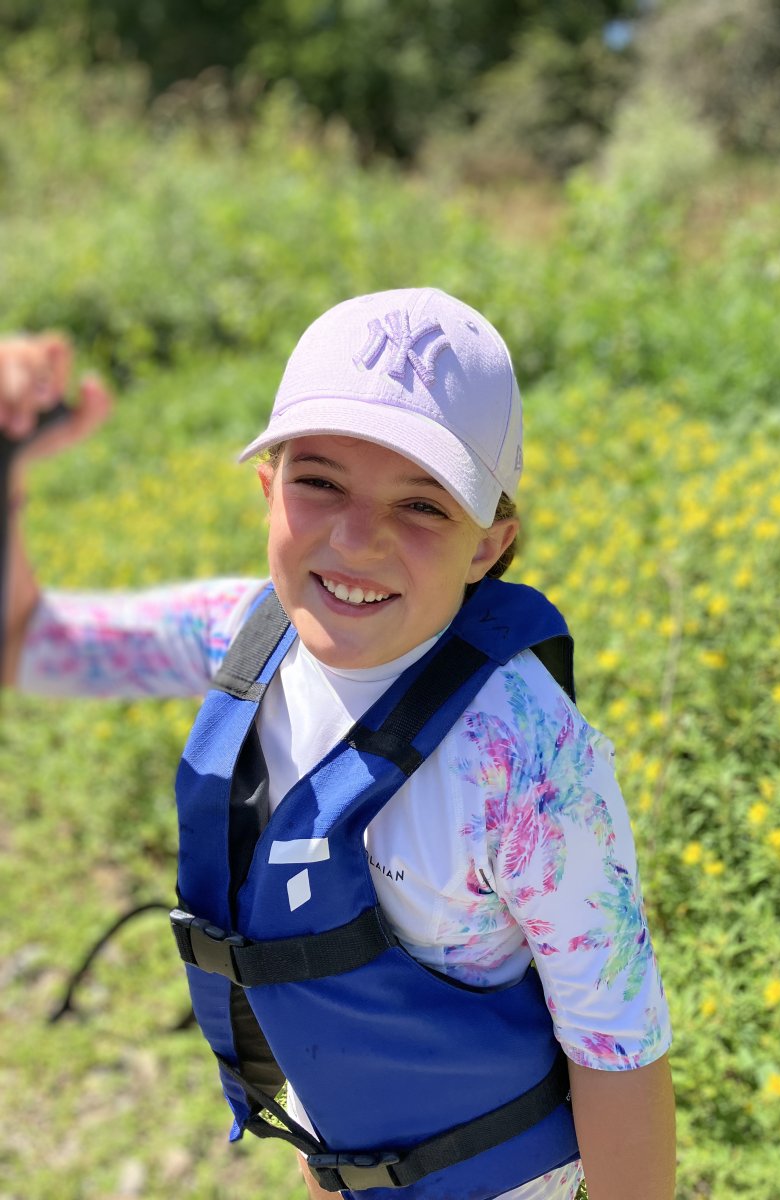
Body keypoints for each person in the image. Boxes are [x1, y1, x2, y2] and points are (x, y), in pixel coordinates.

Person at [1, 290, 676, 1200]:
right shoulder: (245, 638)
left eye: (423, 505)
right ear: (267, 487)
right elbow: (30, 643)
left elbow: (618, 1046)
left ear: (488, 546)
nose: (358, 540)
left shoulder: (527, 764)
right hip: (337, 1147)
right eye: (319, 482)